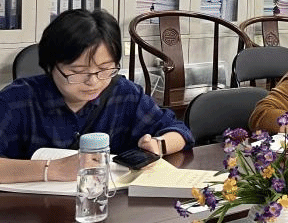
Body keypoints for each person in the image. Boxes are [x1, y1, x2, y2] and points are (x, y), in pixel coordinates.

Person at [0, 9, 194, 184]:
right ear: (50, 66)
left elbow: (180, 131)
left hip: (108, 204)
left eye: (104, 69)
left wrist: (158, 145)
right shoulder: (17, 100)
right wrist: (53, 169)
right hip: (34, 209)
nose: (93, 82)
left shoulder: (125, 94)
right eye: (78, 72)